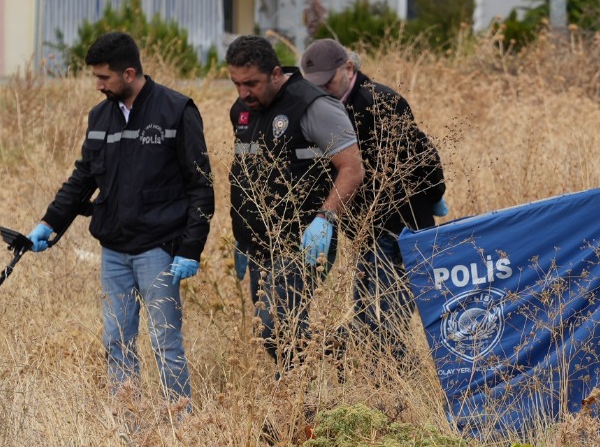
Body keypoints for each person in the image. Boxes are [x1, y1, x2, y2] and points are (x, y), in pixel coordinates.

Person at [22, 31, 213, 406]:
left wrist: (191, 247)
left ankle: (183, 421)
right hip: (114, 251)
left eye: (103, 78)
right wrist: (49, 223)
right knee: (116, 340)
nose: (98, 85)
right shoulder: (100, 117)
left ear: (128, 73)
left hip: (159, 249)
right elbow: (82, 178)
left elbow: (201, 186)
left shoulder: (175, 110)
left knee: (165, 341)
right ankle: (129, 423)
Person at [299, 38, 447, 362]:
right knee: (370, 312)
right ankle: (375, 376)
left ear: (349, 68)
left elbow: (421, 155)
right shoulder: (324, 107)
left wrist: (436, 194)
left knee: (385, 317)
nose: (322, 90)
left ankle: (395, 385)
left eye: (328, 82)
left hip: (401, 225)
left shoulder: (381, 101)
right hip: (367, 229)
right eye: (315, 86)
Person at [225, 34, 364, 368]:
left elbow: (352, 169)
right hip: (259, 242)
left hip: (303, 240)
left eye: (252, 83)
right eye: (236, 84)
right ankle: (333, 351)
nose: (244, 93)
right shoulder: (242, 111)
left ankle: (291, 403)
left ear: (276, 73)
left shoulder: (313, 105)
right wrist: (243, 237)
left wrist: (324, 219)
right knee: (270, 330)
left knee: (275, 326)